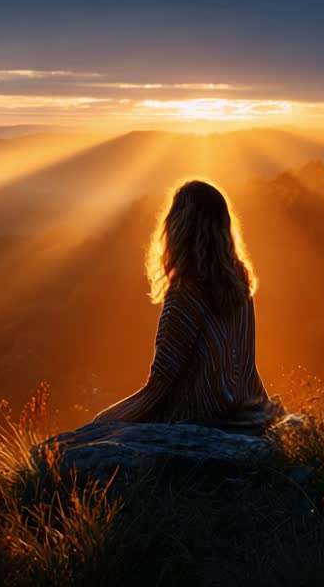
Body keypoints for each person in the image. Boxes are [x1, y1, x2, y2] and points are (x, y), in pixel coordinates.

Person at [94, 180, 283, 433]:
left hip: (196, 412)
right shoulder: (240, 282)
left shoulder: (186, 291)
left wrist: (116, 418)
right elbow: (245, 362)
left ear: (178, 227)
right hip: (242, 404)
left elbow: (164, 376)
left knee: (101, 424)